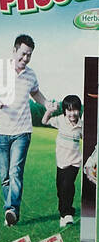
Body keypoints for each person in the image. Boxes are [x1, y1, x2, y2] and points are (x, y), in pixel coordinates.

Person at [0, 33, 51, 226]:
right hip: (1, 132)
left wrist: (47, 103)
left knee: (15, 172)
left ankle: (11, 210)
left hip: (22, 131)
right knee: (5, 177)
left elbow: (35, 93)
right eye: (23, 54)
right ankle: (11, 211)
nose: (25, 59)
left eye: (29, 55)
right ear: (14, 50)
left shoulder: (31, 74)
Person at [42, 95, 83, 227]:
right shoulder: (60, 120)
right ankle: (65, 212)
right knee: (60, 189)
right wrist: (50, 111)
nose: (72, 113)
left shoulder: (81, 125)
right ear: (65, 111)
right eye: (69, 110)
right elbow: (44, 121)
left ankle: (67, 214)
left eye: (75, 109)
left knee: (68, 185)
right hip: (61, 162)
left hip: (75, 162)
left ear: (79, 110)